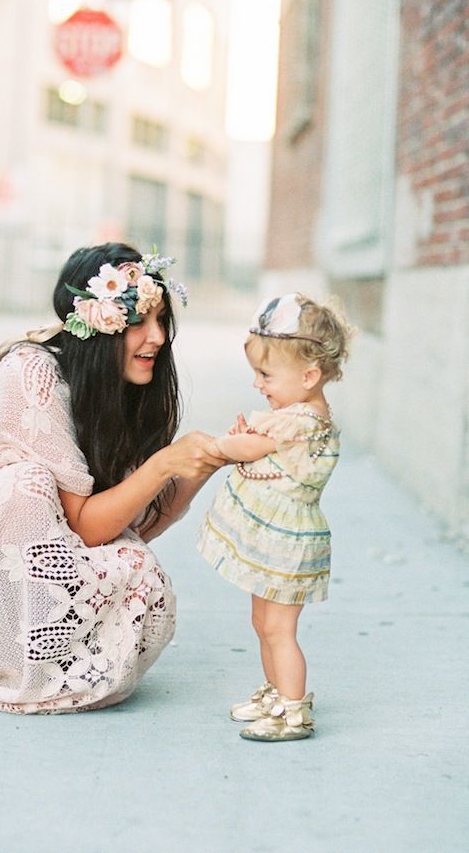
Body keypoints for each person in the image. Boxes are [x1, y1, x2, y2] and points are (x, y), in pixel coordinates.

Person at [0, 242, 225, 714]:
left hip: (45, 535)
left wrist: (206, 461)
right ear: (98, 324)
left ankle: (49, 666)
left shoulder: (122, 388)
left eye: (161, 322)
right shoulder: (34, 373)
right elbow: (87, 527)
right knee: (27, 485)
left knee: (134, 563)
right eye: (137, 323)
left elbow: (133, 523)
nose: (155, 337)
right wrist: (165, 463)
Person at [197, 293, 353, 741]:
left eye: (265, 374)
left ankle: (293, 710)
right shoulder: (292, 413)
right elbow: (263, 448)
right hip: (274, 540)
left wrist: (222, 446)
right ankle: (276, 690)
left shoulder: (303, 421)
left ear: (309, 375)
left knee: (280, 630)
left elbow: (248, 449)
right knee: (263, 623)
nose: (258, 384)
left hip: (289, 542)